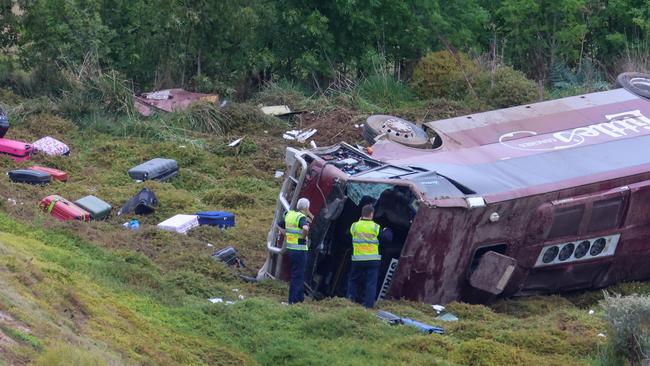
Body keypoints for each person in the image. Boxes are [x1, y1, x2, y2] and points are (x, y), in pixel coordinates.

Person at [278, 198, 312, 304]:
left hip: (291, 249)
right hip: (300, 250)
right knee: (297, 276)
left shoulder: (290, 214)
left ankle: (299, 300)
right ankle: (293, 301)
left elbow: (279, 224)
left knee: (298, 274)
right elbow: (306, 228)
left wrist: (287, 235)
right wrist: (303, 237)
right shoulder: (301, 217)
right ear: (306, 208)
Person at [347, 204, 381, 308]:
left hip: (358, 260)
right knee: (370, 284)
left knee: (353, 281)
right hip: (372, 260)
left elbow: (351, 233)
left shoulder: (354, 226)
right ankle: (368, 306)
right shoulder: (376, 227)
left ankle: (350, 302)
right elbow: (388, 237)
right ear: (372, 214)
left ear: (362, 214)